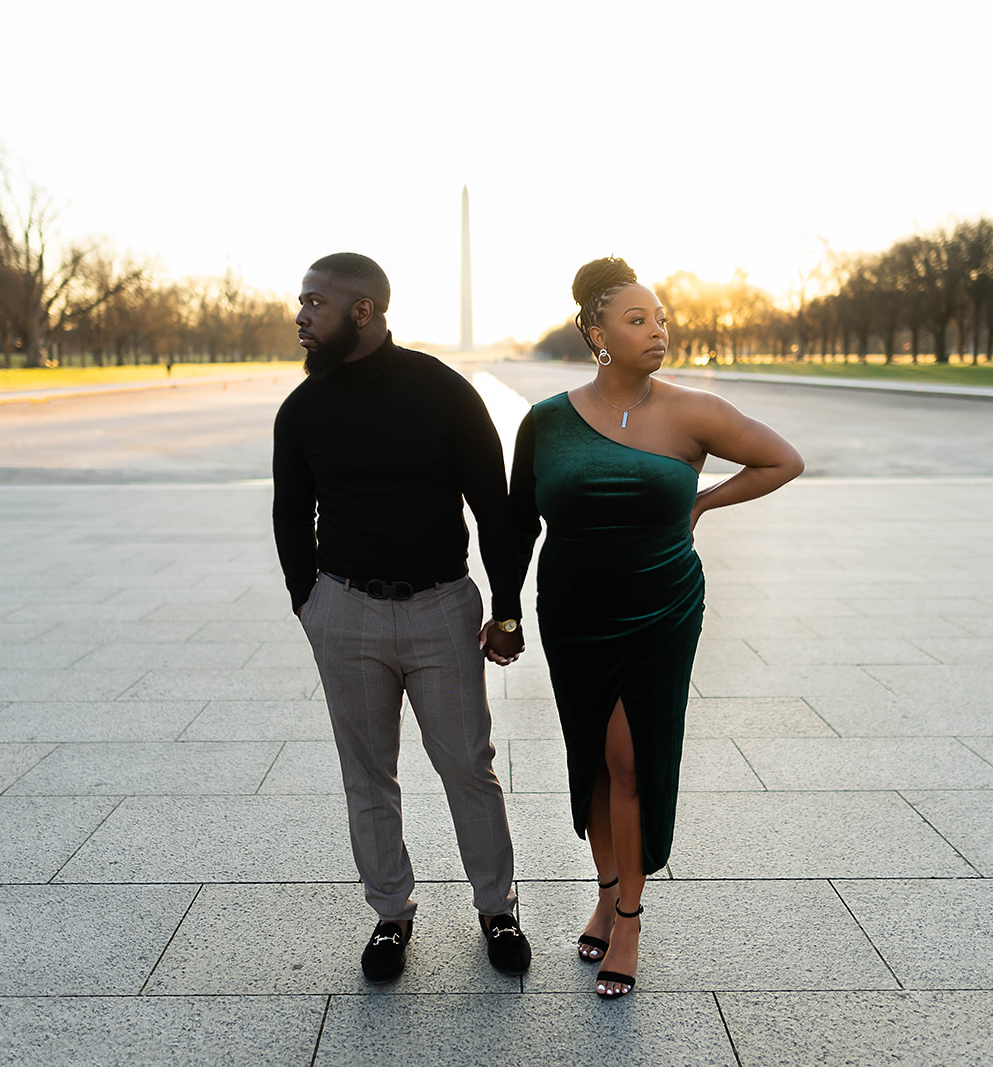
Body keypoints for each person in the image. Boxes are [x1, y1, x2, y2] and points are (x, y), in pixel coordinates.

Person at [510, 256, 803, 997]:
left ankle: (631, 917)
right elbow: (517, 520)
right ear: (596, 331)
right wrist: (503, 607)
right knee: (595, 762)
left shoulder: (692, 411)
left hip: (660, 608)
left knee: (633, 762)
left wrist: (701, 503)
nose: (658, 330)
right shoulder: (545, 421)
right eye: (638, 319)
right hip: (573, 610)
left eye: (662, 318)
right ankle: (608, 886)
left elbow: (782, 459)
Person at [272, 252, 531, 983]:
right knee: (367, 774)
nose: (300, 316)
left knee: (468, 767)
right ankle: (391, 914)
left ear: (364, 309)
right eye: (301, 301)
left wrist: (507, 608)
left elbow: (494, 504)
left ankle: (497, 906)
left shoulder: (442, 393)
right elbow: (291, 512)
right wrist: (310, 603)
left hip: (441, 609)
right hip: (345, 611)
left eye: (314, 302)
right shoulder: (303, 409)